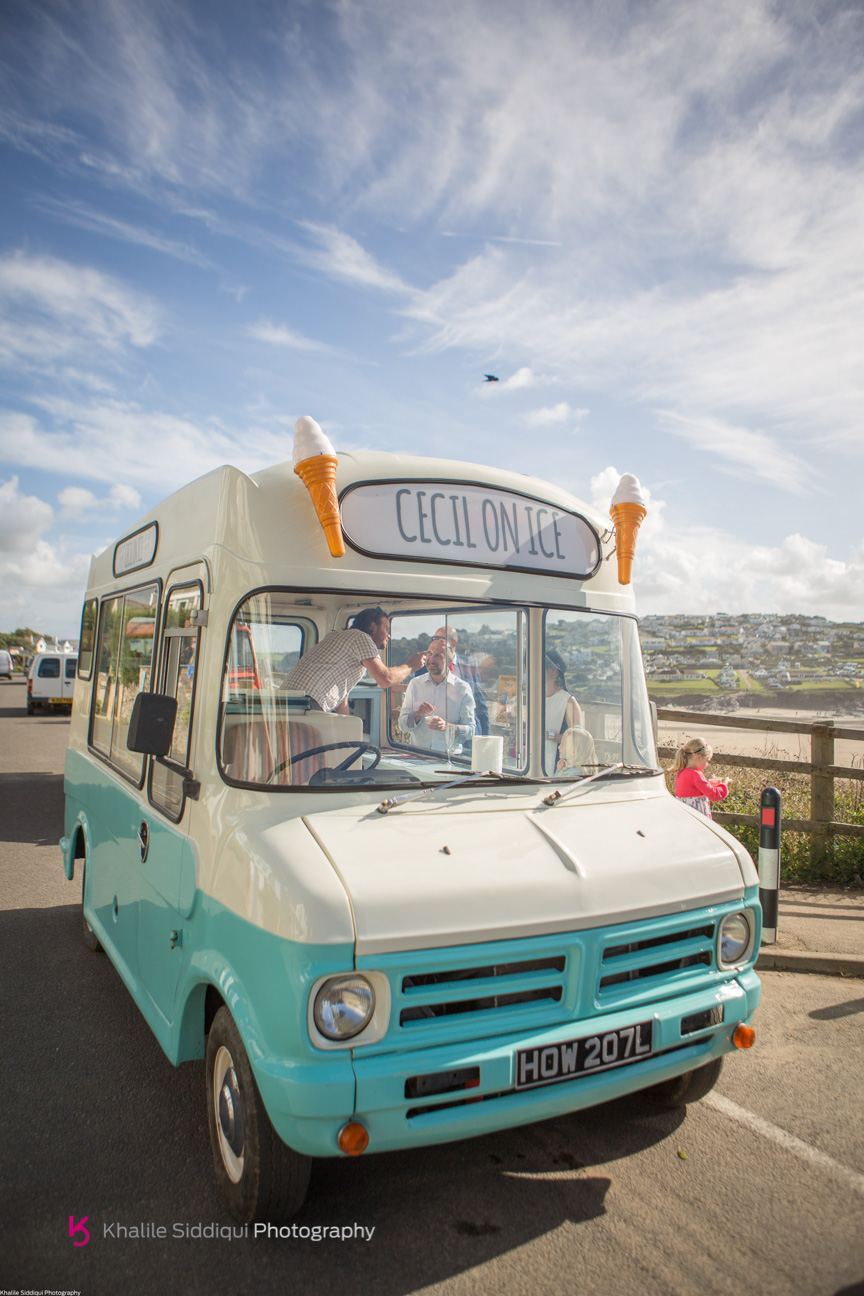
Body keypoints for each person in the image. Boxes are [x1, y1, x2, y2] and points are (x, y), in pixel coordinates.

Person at [286, 607, 426, 714]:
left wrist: (349, 736)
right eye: (386, 629)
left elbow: (342, 700)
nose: (389, 635)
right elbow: (386, 679)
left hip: (289, 702)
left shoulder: (340, 638)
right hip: (307, 703)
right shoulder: (360, 637)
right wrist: (410, 665)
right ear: (372, 626)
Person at [399, 633, 475, 755]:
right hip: (417, 757)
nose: (432, 660)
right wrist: (417, 715)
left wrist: (448, 727)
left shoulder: (462, 688)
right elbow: (402, 726)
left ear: (450, 660)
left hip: (450, 759)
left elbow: (471, 731)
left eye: (438, 656)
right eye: (429, 654)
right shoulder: (415, 684)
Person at [414, 625, 490, 735]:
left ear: (453, 643)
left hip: (468, 734)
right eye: (434, 639)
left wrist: (486, 736)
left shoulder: (469, 663)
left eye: (440, 639)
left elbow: (480, 702)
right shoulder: (424, 667)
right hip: (436, 735)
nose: (436, 642)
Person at [669, 736, 730, 819]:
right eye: (707, 760)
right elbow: (714, 795)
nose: (707, 765)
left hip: (684, 817)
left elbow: (694, 791)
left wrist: (710, 784)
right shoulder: (696, 774)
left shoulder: (681, 772)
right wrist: (724, 784)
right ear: (699, 757)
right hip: (698, 818)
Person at [544, 649, 583, 774]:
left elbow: (578, 739)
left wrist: (550, 736)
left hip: (556, 764)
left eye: (543, 666)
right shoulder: (533, 698)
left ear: (555, 672)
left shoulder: (568, 701)